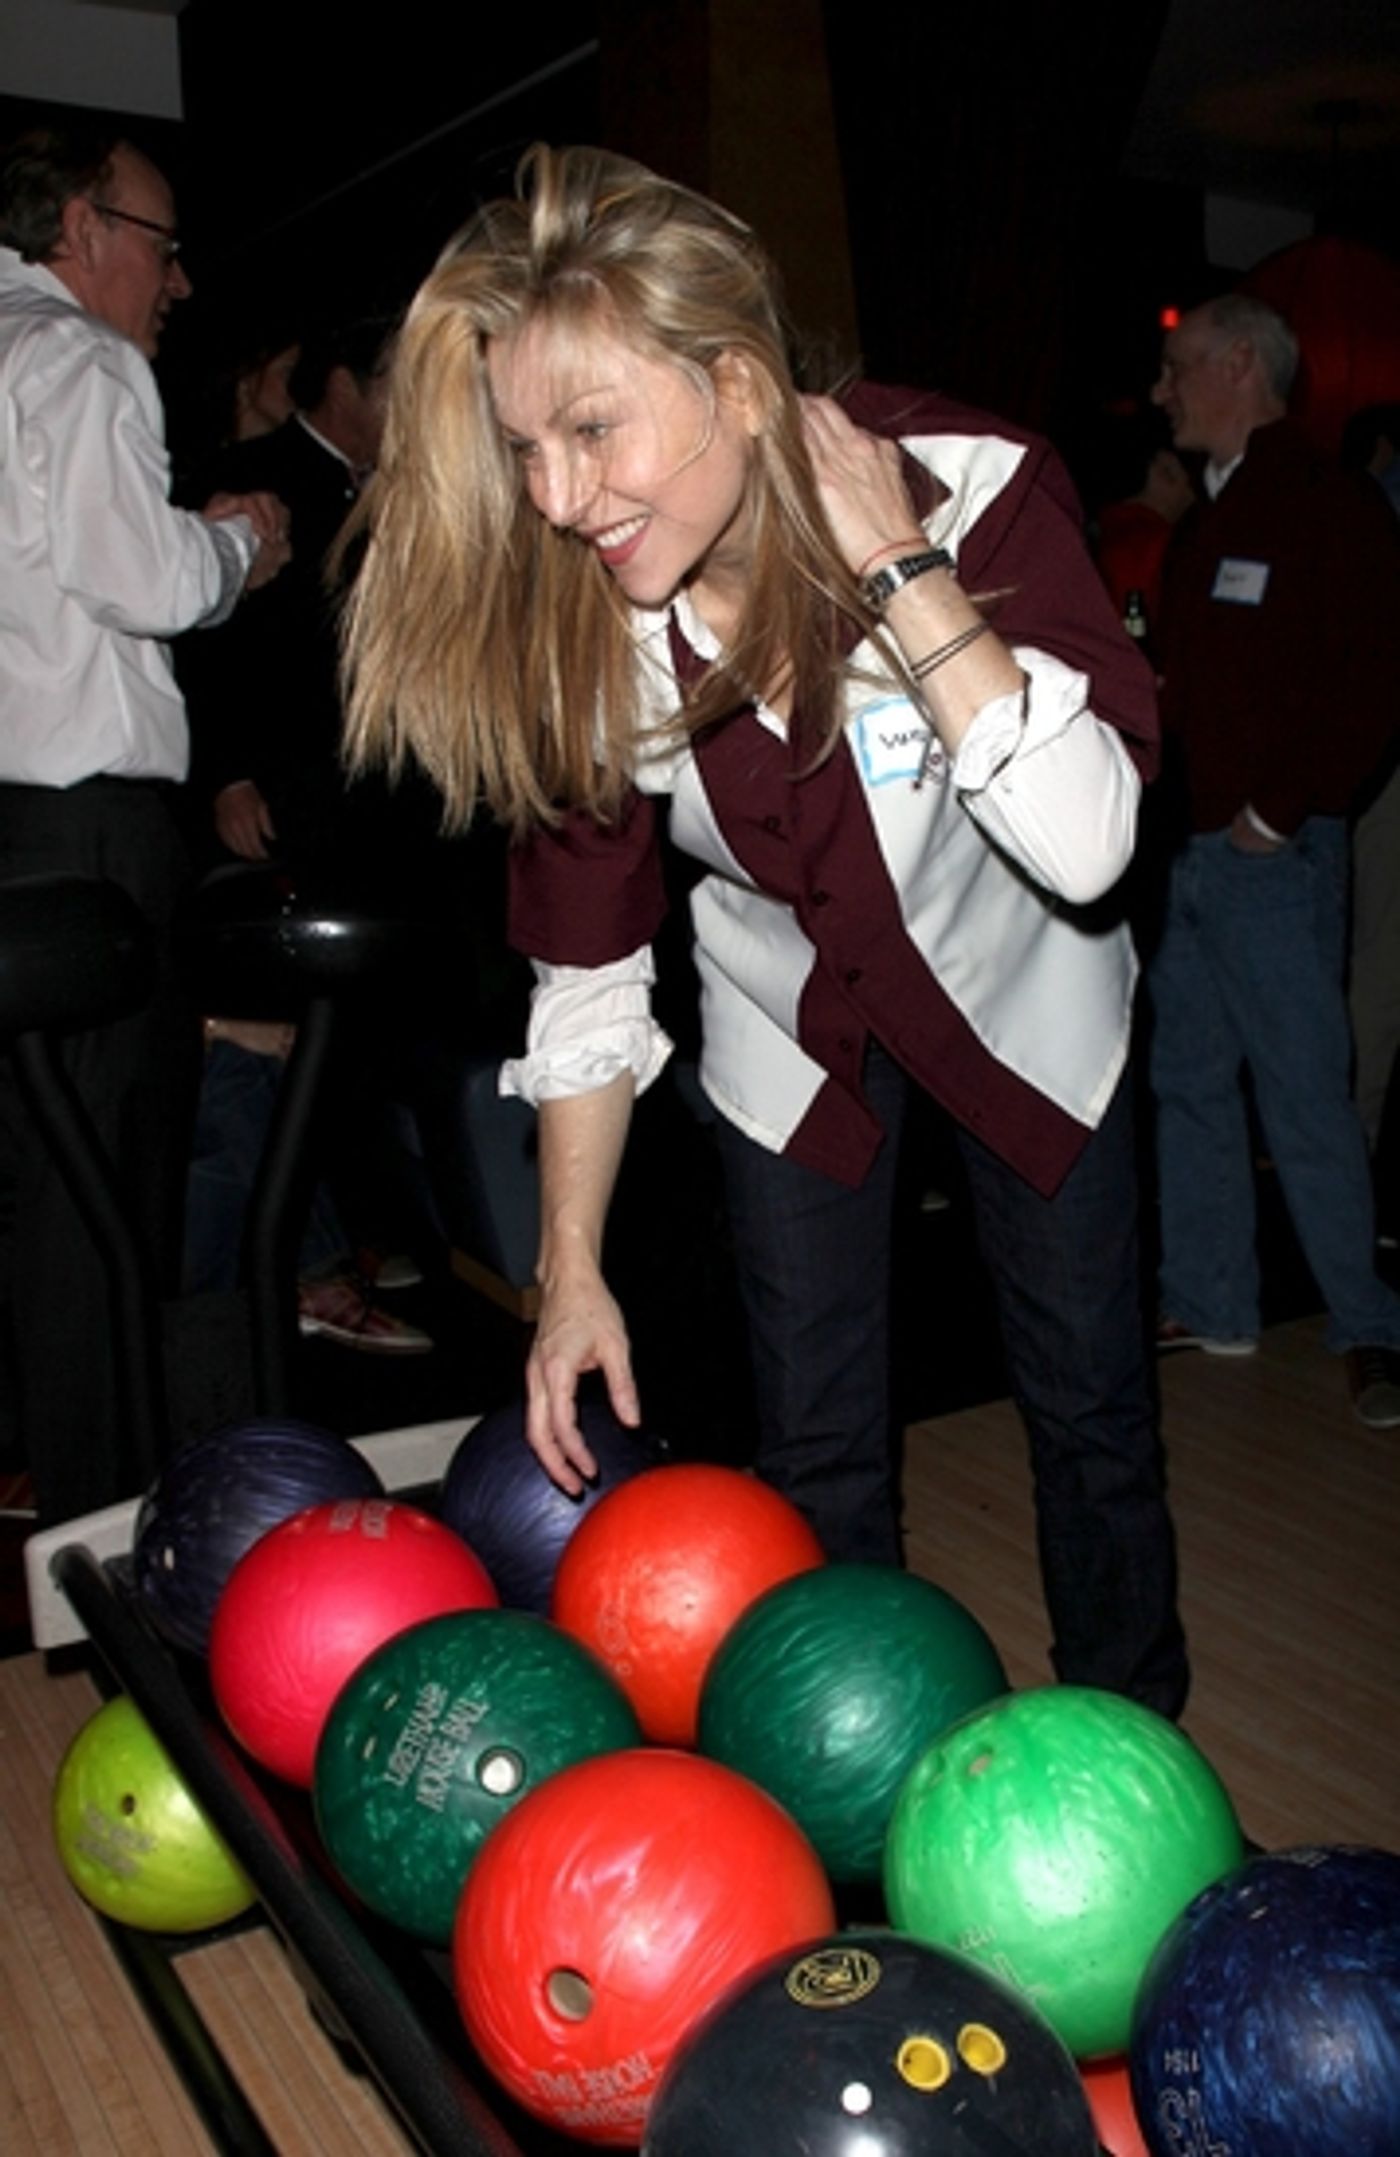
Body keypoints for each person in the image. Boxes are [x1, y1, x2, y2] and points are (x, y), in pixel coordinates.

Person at [344, 145, 1187, 1715]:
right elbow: (586, 965)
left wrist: (903, 570)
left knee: (1088, 1409)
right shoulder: (579, 610)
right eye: (526, 445)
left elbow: (1088, 849)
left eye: (594, 432)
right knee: (814, 1448)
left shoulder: (978, 488)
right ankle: (844, 1766)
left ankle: (1131, 1740)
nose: (554, 497)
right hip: (785, 1039)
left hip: (1028, 1006)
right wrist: (569, 1270)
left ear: (736, 383)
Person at [0, 126, 289, 1523]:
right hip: (92, 839)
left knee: (33, 1173)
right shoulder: (78, 359)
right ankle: (109, 1526)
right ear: (81, 225)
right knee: (108, 1191)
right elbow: (144, 578)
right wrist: (236, 543)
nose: (175, 284)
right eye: (162, 246)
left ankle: (54, 1492)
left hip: (7, 838)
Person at [1146, 294, 1400, 1427]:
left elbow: (1372, 679)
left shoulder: (1320, 503)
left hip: (1267, 856)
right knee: (1188, 1085)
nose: (1161, 392)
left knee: (1302, 1096)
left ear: (1239, 364)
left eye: (1176, 368)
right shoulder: (1210, 516)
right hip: (1195, 858)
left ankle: (1369, 1328)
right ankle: (1213, 1304)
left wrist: (1279, 813)